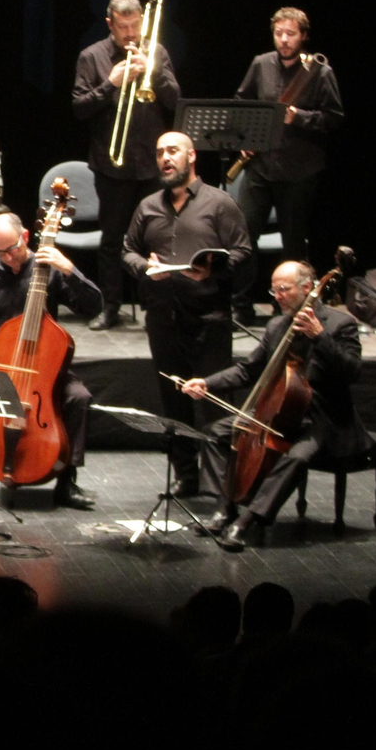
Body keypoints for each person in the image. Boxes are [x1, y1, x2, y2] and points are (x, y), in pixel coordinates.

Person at [178, 261, 368, 550]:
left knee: (297, 457)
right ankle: (224, 508)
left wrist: (319, 336)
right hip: (276, 411)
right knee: (216, 433)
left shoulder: (339, 324)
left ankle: (248, 521)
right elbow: (248, 370)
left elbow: (353, 371)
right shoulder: (277, 325)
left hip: (321, 419)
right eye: (274, 290)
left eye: (284, 289)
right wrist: (207, 383)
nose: (277, 296)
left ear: (307, 288)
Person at [0, 212, 102, 508]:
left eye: (11, 249)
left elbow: (92, 307)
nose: (7, 258)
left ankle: (67, 483)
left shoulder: (48, 271)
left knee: (78, 397)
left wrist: (69, 270)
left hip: (41, 365)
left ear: (25, 237)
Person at [123, 131, 252, 496]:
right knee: (173, 402)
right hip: (163, 318)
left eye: (173, 151)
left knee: (212, 403)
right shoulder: (148, 206)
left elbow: (243, 252)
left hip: (209, 317)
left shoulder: (220, 203)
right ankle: (186, 476)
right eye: (160, 151)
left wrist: (212, 269)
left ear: (191, 156)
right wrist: (144, 267)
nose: (165, 157)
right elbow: (128, 250)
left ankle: (218, 484)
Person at [72, 0, 181, 330]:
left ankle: (156, 307)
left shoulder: (156, 51)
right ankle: (110, 307)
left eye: (135, 26)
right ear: (110, 25)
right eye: (123, 27)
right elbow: (79, 108)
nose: (131, 34)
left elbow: (175, 100)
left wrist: (153, 72)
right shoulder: (92, 56)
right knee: (111, 240)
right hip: (111, 163)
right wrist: (111, 83)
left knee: (157, 239)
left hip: (151, 163)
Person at [230, 7, 345, 322]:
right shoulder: (260, 64)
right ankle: (239, 305)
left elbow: (333, 118)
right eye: (279, 33)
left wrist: (299, 117)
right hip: (261, 166)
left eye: (290, 34)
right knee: (243, 236)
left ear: (303, 36)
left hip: (299, 170)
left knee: (293, 244)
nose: (283, 39)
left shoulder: (319, 71)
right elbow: (242, 103)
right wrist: (247, 136)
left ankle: (294, 311)